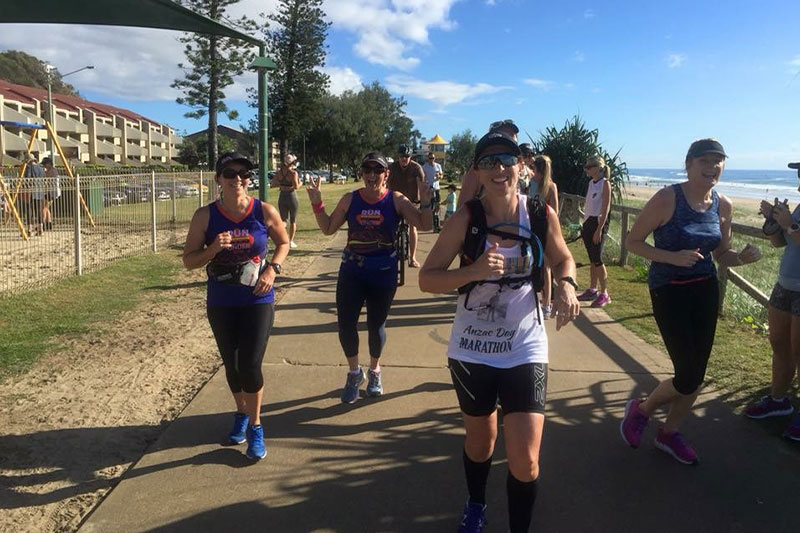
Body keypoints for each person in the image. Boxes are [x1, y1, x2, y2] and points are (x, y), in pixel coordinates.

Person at [419, 131, 580, 532]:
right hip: (472, 348)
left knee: (525, 460)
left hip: (525, 345)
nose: (500, 169)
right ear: (477, 171)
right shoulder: (466, 219)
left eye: (507, 159)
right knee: (482, 442)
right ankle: (476, 503)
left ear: (521, 165)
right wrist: (473, 271)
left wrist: (567, 285)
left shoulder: (540, 214)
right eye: (489, 162)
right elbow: (427, 279)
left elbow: (564, 259)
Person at [621, 139, 761, 464]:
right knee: (687, 373)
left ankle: (669, 433)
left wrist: (742, 258)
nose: (712, 167)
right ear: (688, 164)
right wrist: (671, 256)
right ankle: (641, 411)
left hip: (705, 290)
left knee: (695, 372)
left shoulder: (722, 205)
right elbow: (633, 242)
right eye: (705, 160)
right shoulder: (667, 197)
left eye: (718, 161)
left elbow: (722, 254)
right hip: (669, 290)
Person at [183, 152, 290, 460]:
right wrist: (213, 249)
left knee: (250, 364)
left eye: (244, 173)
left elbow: (282, 243)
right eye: (230, 173)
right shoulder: (205, 217)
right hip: (222, 300)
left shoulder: (263, 210)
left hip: (257, 299)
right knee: (232, 365)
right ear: (218, 179)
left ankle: (255, 425)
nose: (238, 179)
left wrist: (272, 270)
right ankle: (241, 412)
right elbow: (189, 260)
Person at [306, 152, 433, 403]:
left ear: (387, 175)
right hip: (352, 270)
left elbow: (424, 224)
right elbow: (328, 228)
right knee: (346, 325)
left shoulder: (396, 200)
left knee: (376, 326)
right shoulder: (350, 199)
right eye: (367, 170)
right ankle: (355, 372)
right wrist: (317, 204)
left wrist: (427, 202)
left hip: (383, 272)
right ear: (362, 173)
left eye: (378, 170)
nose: (372, 175)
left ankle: (375, 370)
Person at [744, 161, 800, 441]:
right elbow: (780, 244)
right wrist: (774, 224)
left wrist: (789, 224)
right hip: (785, 285)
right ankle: (778, 401)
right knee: (779, 345)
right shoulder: (799, 206)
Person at [458, 119, 520, 210]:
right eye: (505, 136)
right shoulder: (480, 168)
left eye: (512, 136)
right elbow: (462, 206)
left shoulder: (518, 165)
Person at [576, 155, 612, 308]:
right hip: (588, 222)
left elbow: (605, 209)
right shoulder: (592, 183)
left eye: (590, 166)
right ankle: (592, 289)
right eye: (586, 166)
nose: (587, 169)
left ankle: (605, 293)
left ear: (598, 168)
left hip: (598, 223)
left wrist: (599, 229)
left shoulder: (605, 184)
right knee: (592, 259)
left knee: (597, 259)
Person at [530, 154, 559, 318]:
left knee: (546, 267)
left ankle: (547, 303)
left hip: (544, 229)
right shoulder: (532, 183)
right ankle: (538, 301)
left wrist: (554, 234)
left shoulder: (550, 187)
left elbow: (554, 212)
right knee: (534, 265)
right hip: (532, 228)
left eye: (534, 168)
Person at [388, 144, 425, 267]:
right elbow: (384, 182)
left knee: (413, 227)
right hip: (395, 200)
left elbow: (422, 185)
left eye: (407, 156)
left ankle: (412, 258)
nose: (404, 159)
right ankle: (387, 253)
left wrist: (423, 201)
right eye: (402, 156)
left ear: (410, 157)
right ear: (398, 157)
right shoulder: (391, 168)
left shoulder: (416, 168)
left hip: (412, 201)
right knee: (388, 226)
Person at [271, 153, 301, 248]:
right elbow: (296, 186)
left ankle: (280, 237)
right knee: (293, 220)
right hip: (292, 196)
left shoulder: (279, 173)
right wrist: (301, 183)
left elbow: (273, 183)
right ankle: (291, 241)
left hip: (282, 196)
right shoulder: (293, 173)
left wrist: (281, 184)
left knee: (283, 220)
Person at [25, 156, 46, 236]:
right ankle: (41, 228)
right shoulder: (41, 168)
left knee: (29, 209)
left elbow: (28, 178)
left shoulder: (29, 168)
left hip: (31, 190)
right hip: (40, 189)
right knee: (38, 209)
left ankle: (29, 229)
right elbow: (44, 177)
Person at [422, 152, 443, 231]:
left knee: (437, 206)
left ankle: (436, 224)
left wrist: (439, 176)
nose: (431, 160)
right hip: (429, 189)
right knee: (429, 206)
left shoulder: (438, 166)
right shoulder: (425, 167)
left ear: (435, 159)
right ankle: (428, 223)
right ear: (428, 158)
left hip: (436, 188)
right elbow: (422, 177)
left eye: (433, 158)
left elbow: (441, 175)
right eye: (430, 158)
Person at [41, 157, 61, 231]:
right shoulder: (50, 170)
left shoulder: (53, 170)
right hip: (50, 191)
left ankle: (43, 223)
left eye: (45, 164)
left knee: (43, 207)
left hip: (52, 192)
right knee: (46, 207)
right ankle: (48, 223)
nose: (44, 166)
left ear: (49, 164)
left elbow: (47, 177)